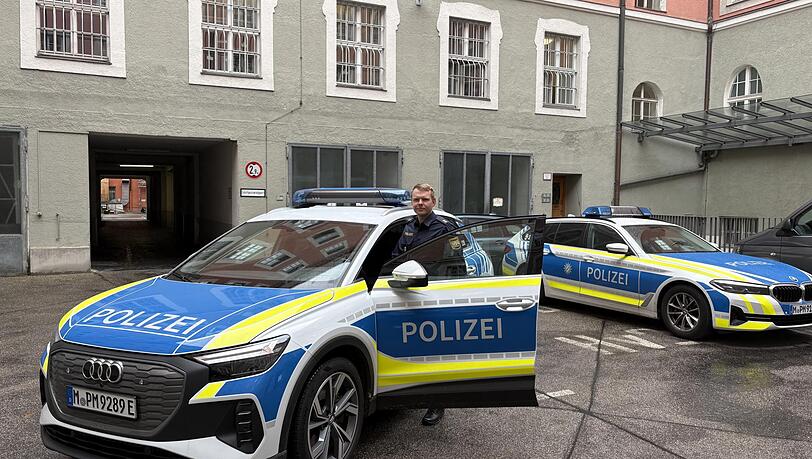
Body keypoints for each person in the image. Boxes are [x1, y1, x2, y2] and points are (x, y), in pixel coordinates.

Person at [392, 183, 458, 427]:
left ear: (434, 202)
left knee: (434, 353)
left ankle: (436, 403)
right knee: (414, 350)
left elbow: (455, 265)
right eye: (416, 199)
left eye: (425, 200)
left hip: (432, 295)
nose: (420, 203)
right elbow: (397, 257)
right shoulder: (409, 226)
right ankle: (413, 392)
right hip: (407, 292)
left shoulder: (444, 228)